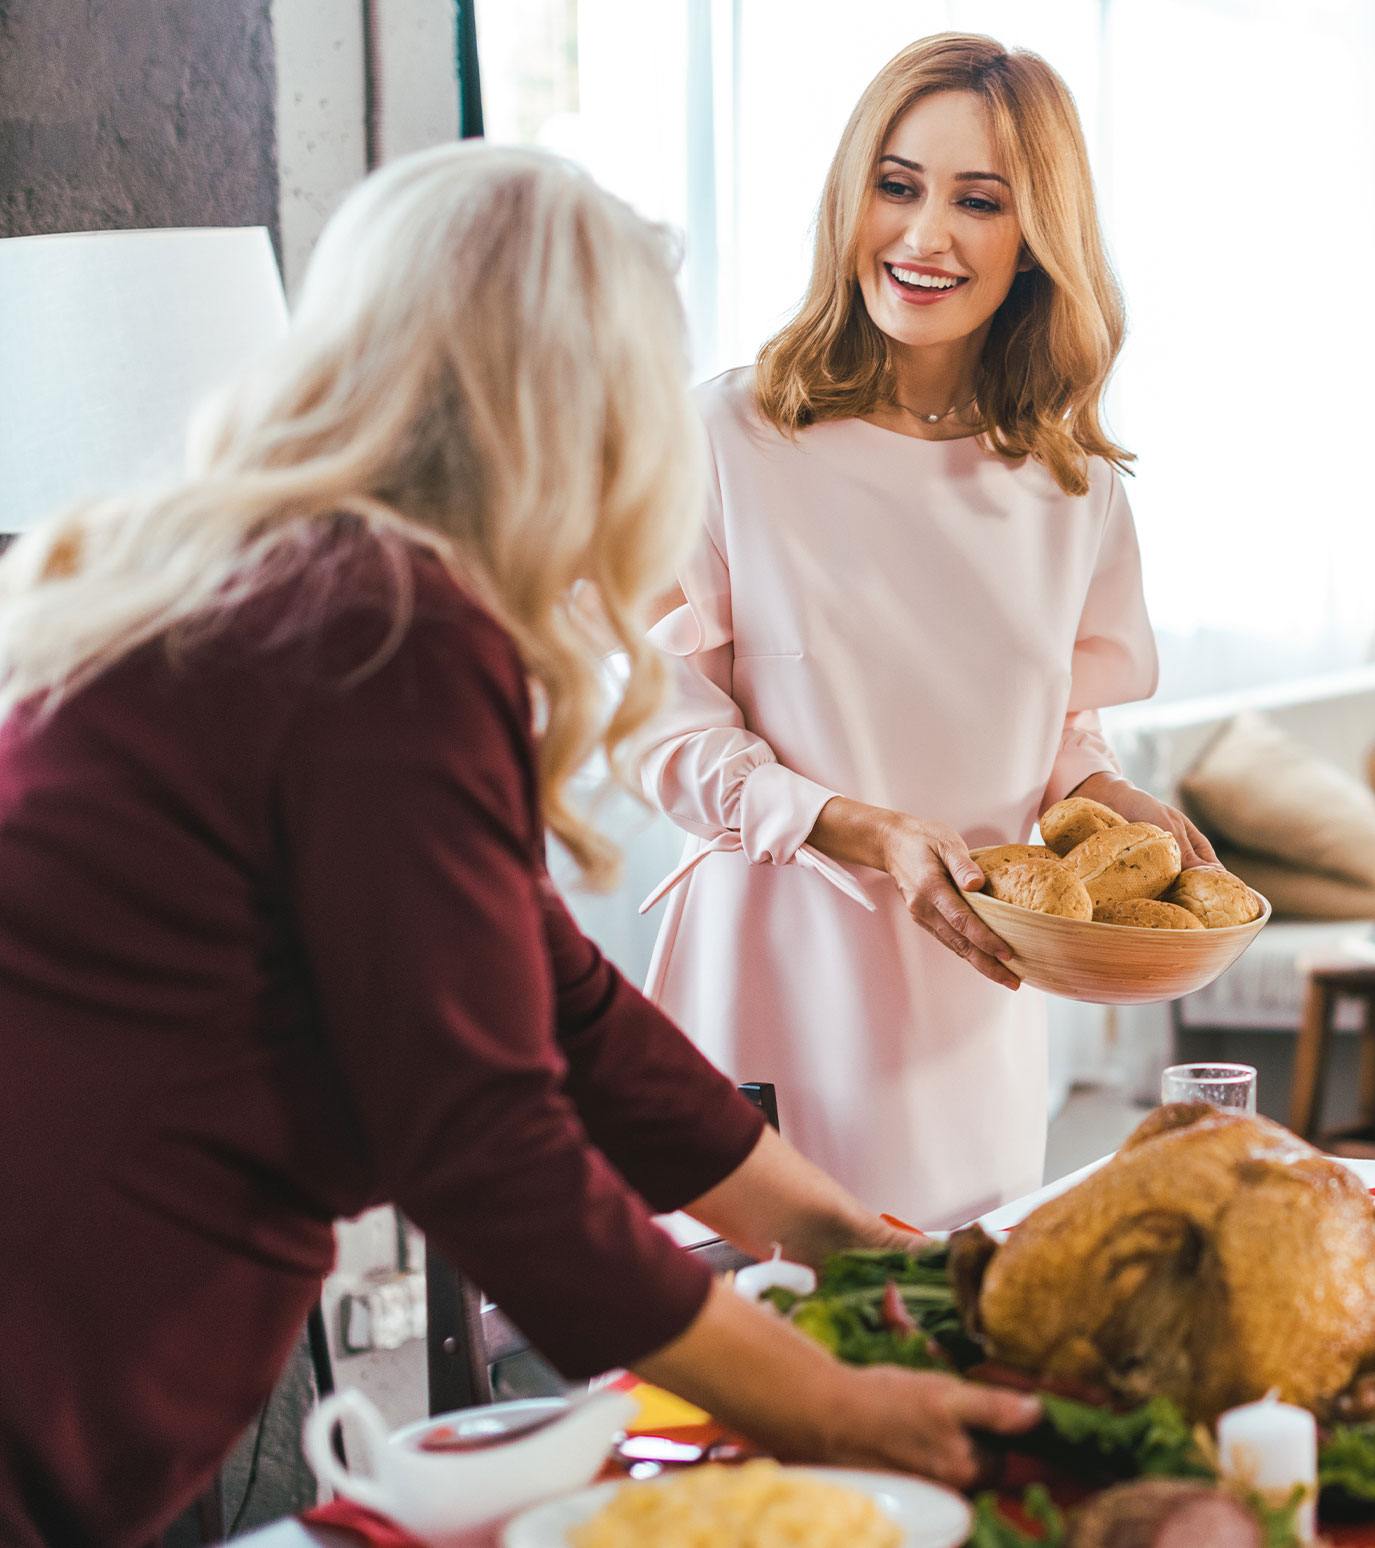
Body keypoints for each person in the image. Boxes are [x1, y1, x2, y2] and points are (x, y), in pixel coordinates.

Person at [0, 146, 1036, 1546]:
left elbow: (573, 1011)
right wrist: (834, 1407)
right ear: (585, 413)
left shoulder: (302, 580)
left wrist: (856, 1245)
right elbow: (487, 1151)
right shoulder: (381, 637)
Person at [639, 34, 1210, 1226]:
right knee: (760, 1365)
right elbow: (658, 729)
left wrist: (1113, 799)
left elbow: (1055, 735)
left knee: (954, 1356)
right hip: (774, 978)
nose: (924, 236)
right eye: (896, 186)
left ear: (1035, 238)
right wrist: (861, 830)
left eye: (978, 201)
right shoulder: (725, 441)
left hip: (973, 1002)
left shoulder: (1070, 486)